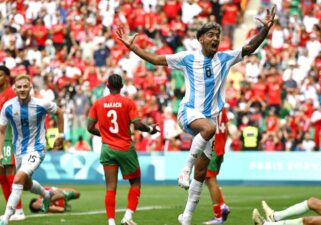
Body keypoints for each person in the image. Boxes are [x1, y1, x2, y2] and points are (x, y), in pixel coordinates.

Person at [116, 5, 276, 225]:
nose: (215, 39)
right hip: (189, 112)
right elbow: (154, 59)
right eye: (210, 35)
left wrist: (265, 30)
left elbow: (249, 47)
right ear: (200, 39)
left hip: (209, 119)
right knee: (208, 133)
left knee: (201, 174)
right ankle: (184, 170)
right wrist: (132, 47)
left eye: (217, 36)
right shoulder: (187, 59)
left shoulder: (226, 58)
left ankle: (187, 218)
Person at [87, 74, 159, 225]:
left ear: (107, 86)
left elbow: (89, 127)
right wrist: (151, 129)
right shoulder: (127, 102)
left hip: (107, 149)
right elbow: (138, 125)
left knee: (110, 187)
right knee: (135, 183)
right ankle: (127, 217)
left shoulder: (98, 103)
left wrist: (105, 134)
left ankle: (111, 222)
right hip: (125, 148)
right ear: (121, 86)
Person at [0, 75, 65, 225]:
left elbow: (60, 112)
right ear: (15, 89)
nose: (22, 89)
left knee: (17, 179)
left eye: (25, 86)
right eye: (19, 87)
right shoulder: (8, 107)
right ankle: (47, 195)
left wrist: (61, 135)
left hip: (37, 149)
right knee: (26, 184)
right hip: (19, 151)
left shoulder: (41, 104)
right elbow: (2, 131)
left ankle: (6, 218)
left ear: (30, 88)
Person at [0, 66, 25, 221]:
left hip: (9, 138)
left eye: (1, 75)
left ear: (7, 77)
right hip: (1, 138)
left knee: (10, 172)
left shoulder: (10, 94)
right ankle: (10, 209)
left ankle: (19, 210)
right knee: (2, 176)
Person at [203, 108, 231, 225]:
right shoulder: (221, 107)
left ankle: (218, 215)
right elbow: (226, 129)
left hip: (212, 146)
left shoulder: (207, 106)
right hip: (219, 147)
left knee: (210, 178)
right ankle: (223, 206)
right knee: (208, 179)